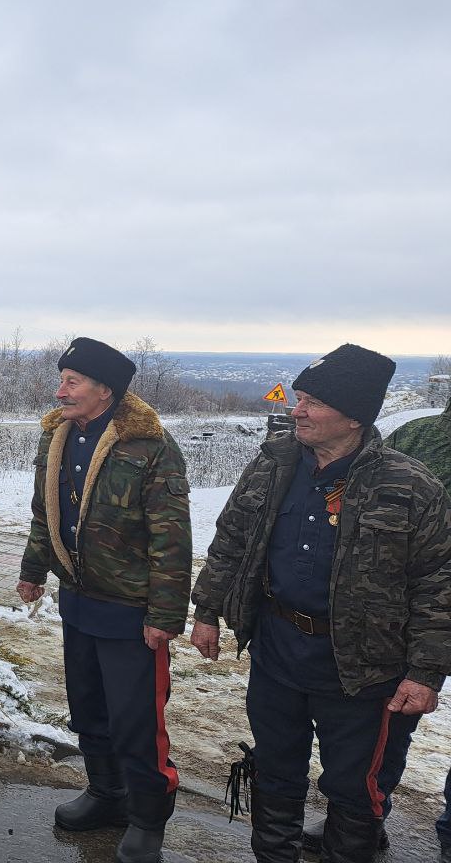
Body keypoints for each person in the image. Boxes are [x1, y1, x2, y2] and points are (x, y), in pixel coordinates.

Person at [190, 344, 451, 863]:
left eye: (311, 401)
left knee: (355, 789)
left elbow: (437, 584)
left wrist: (426, 673)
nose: (296, 409)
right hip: (276, 652)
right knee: (275, 770)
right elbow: (232, 537)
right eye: (298, 397)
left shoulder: (410, 486)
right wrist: (206, 610)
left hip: (362, 671)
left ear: (353, 416)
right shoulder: (273, 464)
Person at [16, 337, 191, 863]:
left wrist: (165, 615)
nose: (60, 391)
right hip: (79, 602)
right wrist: (32, 571)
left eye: (72, 382)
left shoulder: (150, 447)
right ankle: (105, 794)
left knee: (136, 720)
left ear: (105, 390)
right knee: (88, 709)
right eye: (62, 379)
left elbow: (172, 538)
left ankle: (146, 818)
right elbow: (43, 512)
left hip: (132, 612)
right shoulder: (58, 437)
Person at [299, 385, 451, 859]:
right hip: (410, 613)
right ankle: (363, 817)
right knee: (386, 726)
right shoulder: (420, 437)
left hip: (424, 603)